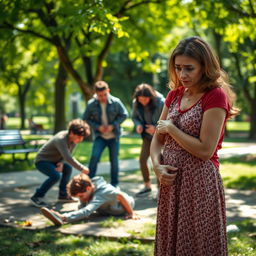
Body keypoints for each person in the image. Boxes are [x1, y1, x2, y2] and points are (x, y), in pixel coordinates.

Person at [150, 37, 239, 256]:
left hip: (199, 183)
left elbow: (205, 150)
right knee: (171, 240)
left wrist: (172, 129)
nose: (183, 75)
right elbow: (157, 138)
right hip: (171, 182)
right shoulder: (175, 94)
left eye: (189, 68)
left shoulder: (215, 95)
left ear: (205, 67)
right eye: (178, 68)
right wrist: (156, 166)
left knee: (197, 243)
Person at [30, 119, 91, 208]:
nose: (81, 139)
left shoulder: (73, 141)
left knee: (68, 168)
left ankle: (63, 195)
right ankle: (36, 197)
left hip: (55, 161)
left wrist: (61, 162)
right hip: (42, 161)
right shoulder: (61, 139)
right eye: (79, 137)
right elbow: (68, 157)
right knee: (55, 176)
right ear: (72, 133)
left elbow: (66, 155)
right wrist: (82, 168)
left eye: (82, 137)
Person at [40, 173, 137, 225]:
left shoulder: (103, 193)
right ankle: (70, 215)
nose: (81, 198)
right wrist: (79, 212)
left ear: (88, 188)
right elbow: (83, 207)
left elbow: (120, 195)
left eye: (81, 196)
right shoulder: (88, 188)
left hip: (122, 206)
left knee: (89, 208)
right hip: (108, 207)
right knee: (83, 206)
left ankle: (62, 217)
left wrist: (131, 213)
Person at [83, 81, 128, 187]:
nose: (102, 97)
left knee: (114, 160)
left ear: (108, 91)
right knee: (94, 157)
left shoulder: (116, 102)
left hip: (114, 136)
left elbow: (124, 114)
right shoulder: (91, 104)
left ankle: (114, 184)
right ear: (95, 93)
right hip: (100, 136)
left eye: (104, 94)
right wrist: (97, 127)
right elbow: (85, 118)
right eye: (99, 95)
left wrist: (113, 125)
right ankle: (89, 183)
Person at [131, 84, 164, 196]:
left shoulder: (161, 102)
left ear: (151, 96)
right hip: (147, 137)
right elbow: (134, 117)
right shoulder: (136, 103)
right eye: (140, 99)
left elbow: (168, 119)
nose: (143, 102)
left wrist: (155, 128)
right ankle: (147, 186)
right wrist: (138, 125)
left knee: (158, 161)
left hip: (160, 137)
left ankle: (160, 188)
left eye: (145, 99)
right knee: (142, 159)